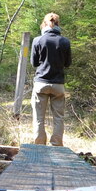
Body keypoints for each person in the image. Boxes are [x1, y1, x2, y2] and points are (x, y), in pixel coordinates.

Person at [30, 12, 71, 146]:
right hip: (58, 84)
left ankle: (39, 145)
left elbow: (34, 63)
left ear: (44, 24)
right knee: (58, 117)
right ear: (58, 24)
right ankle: (56, 145)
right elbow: (68, 63)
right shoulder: (65, 41)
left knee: (38, 117)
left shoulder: (38, 40)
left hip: (41, 82)